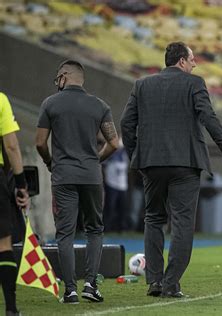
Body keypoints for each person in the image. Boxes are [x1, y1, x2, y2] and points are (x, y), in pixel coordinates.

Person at [120, 41, 222, 298]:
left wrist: (136, 157)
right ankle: (171, 283)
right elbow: (208, 117)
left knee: (153, 218)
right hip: (186, 162)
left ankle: (155, 281)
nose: (195, 64)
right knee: (183, 223)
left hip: (151, 164)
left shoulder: (142, 85)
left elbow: (126, 124)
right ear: (182, 61)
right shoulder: (194, 84)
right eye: (192, 59)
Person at [36, 60, 119, 303]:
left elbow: (40, 142)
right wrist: (96, 160)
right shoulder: (99, 105)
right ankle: (91, 285)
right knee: (94, 229)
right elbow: (113, 143)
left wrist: (51, 163)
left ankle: (70, 290)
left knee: (65, 234)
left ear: (63, 76)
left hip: (63, 176)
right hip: (91, 176)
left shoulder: (50, 103)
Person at [0, 92, 29, 316]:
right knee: (3, 244)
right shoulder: (0, 100)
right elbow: (11, 146)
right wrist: (20, 184)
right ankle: (11, 309)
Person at [102, 139, 129, 232]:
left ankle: (122, 228)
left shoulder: (125, 155)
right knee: (110, 207)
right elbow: (103, 164)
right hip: (111, 184)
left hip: (122, 185)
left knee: (123, 208)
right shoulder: (110, 155)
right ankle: (107, 227)